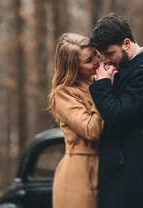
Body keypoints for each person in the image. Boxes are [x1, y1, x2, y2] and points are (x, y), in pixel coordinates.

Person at [89, 13, 143, 208]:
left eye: (109, 54)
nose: (106, 61)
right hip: (125, 176)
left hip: (136, 180)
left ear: (126, 43)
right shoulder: (130, 70)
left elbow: (118, 115)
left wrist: (102, 84)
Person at [48, 33, 116, 208]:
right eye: (88, 60)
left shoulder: (97, 80)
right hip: (79, 175)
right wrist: (103, 89)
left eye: (95, 54)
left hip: (105, 167)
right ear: (73, 68)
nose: (96, 61)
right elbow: (91, 131)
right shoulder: (64, 92)